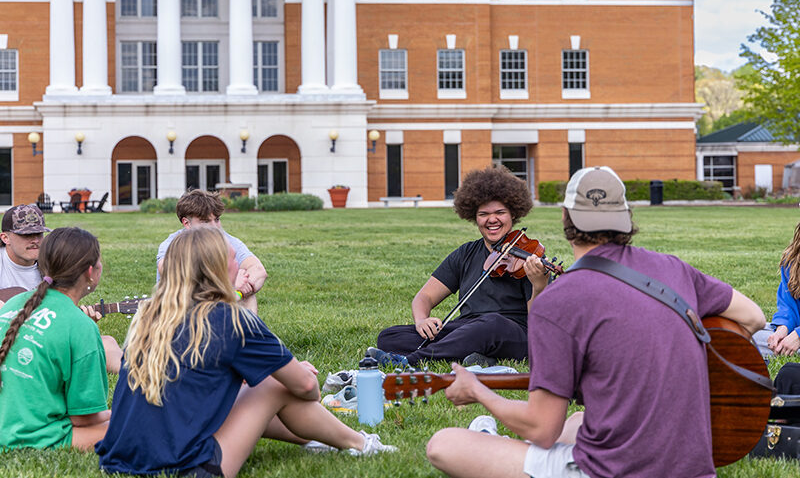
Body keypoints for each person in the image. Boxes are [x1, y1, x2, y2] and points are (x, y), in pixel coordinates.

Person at [426, 166, 766, 478]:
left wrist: (478, 391)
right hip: (692, 470)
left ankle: (490, 436)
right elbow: (753, 317)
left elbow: (541, 428)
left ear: (565, 218)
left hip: (608, 471)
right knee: (577, 421)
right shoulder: (674, 268)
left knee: (444, 445)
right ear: (626, 217)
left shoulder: (556, 301)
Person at [97, 227, 395, 477]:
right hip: (183, 467)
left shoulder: (151, 315)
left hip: (120, 460)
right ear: (216, 269)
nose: (239, 264)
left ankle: (321, 440)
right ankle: (359, 443)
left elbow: (198, 383)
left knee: (257, 385)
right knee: (274, 385)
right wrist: (295, 373)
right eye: (232, 258)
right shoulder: (230, 319)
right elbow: (307, 388)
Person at [372, 166, 550, 367]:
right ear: (474, 217)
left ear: (513, 215)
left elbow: (538, 324)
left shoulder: (529, 256)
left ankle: (411, 361)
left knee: (490, 324)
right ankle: (475, 355)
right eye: (484, 214)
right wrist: (422, 320)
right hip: (468, 328)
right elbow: (425, 296)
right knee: (390, 336)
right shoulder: (465, 253)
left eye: (500, 212)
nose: (492, 219)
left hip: (513, 333)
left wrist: (539, 286)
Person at [0, 227, 121, 450]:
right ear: (91, 272)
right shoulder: (81, 325)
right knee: (130, 425)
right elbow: (83, 418)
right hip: (28, 436)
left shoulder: (15, 303)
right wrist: (119, 413)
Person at [157, 189, 267, 312]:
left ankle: (246, 330)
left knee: (247, 296)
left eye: (217, 219)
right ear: (186, 223)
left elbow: (258, 270)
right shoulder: (173, 244)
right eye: (206, 221)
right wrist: (229, 285)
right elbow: (169, 272)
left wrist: (238, 292)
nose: (215, 227)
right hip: (179, 308)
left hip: (216, 304)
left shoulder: (227, 240)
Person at [765, 221, 800, 355]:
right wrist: (782, 328)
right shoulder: (792, 259)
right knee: (748, 335)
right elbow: (788, 307)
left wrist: (798, 336)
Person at [0, 204, 50, 291]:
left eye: (39, 234)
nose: (35, 240)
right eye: (27, 235)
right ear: (5, 238)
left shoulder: (52, 264)